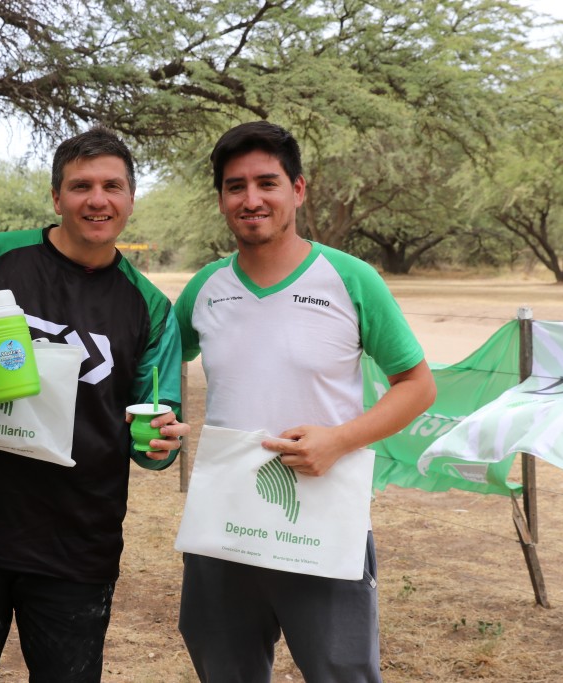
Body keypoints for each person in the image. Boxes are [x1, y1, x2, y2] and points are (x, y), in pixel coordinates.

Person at [0, 126, 190, 683]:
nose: (97, 200)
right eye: (81, 186)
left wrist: (160, 444)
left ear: (130, 199)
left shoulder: (150, 306)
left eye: (112, 186)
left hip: (79, 545)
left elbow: (155, 431)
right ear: (56, 197)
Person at [174, 121, 437, 682]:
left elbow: (418, 386)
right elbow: (160, 363)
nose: (251, 199)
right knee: (224, 670)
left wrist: (339, 440)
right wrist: (161, 420)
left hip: (322, 523)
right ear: (221, 199)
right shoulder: (205, 289)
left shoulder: (351, 279)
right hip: (224, 526)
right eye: (235, 186)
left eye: (267, 183)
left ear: (297, 189)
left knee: (341, 672)